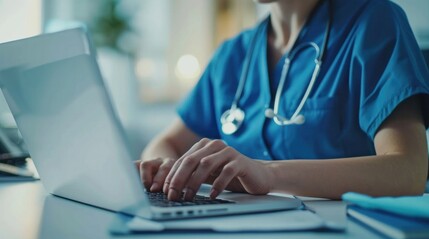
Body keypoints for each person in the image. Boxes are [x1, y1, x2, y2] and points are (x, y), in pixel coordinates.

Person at [137, 0, 429, 201]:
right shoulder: (233, 54)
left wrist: (267, 174)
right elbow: (168, 144)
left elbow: (409, 171)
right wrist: (165, 166)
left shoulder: (374, 22)